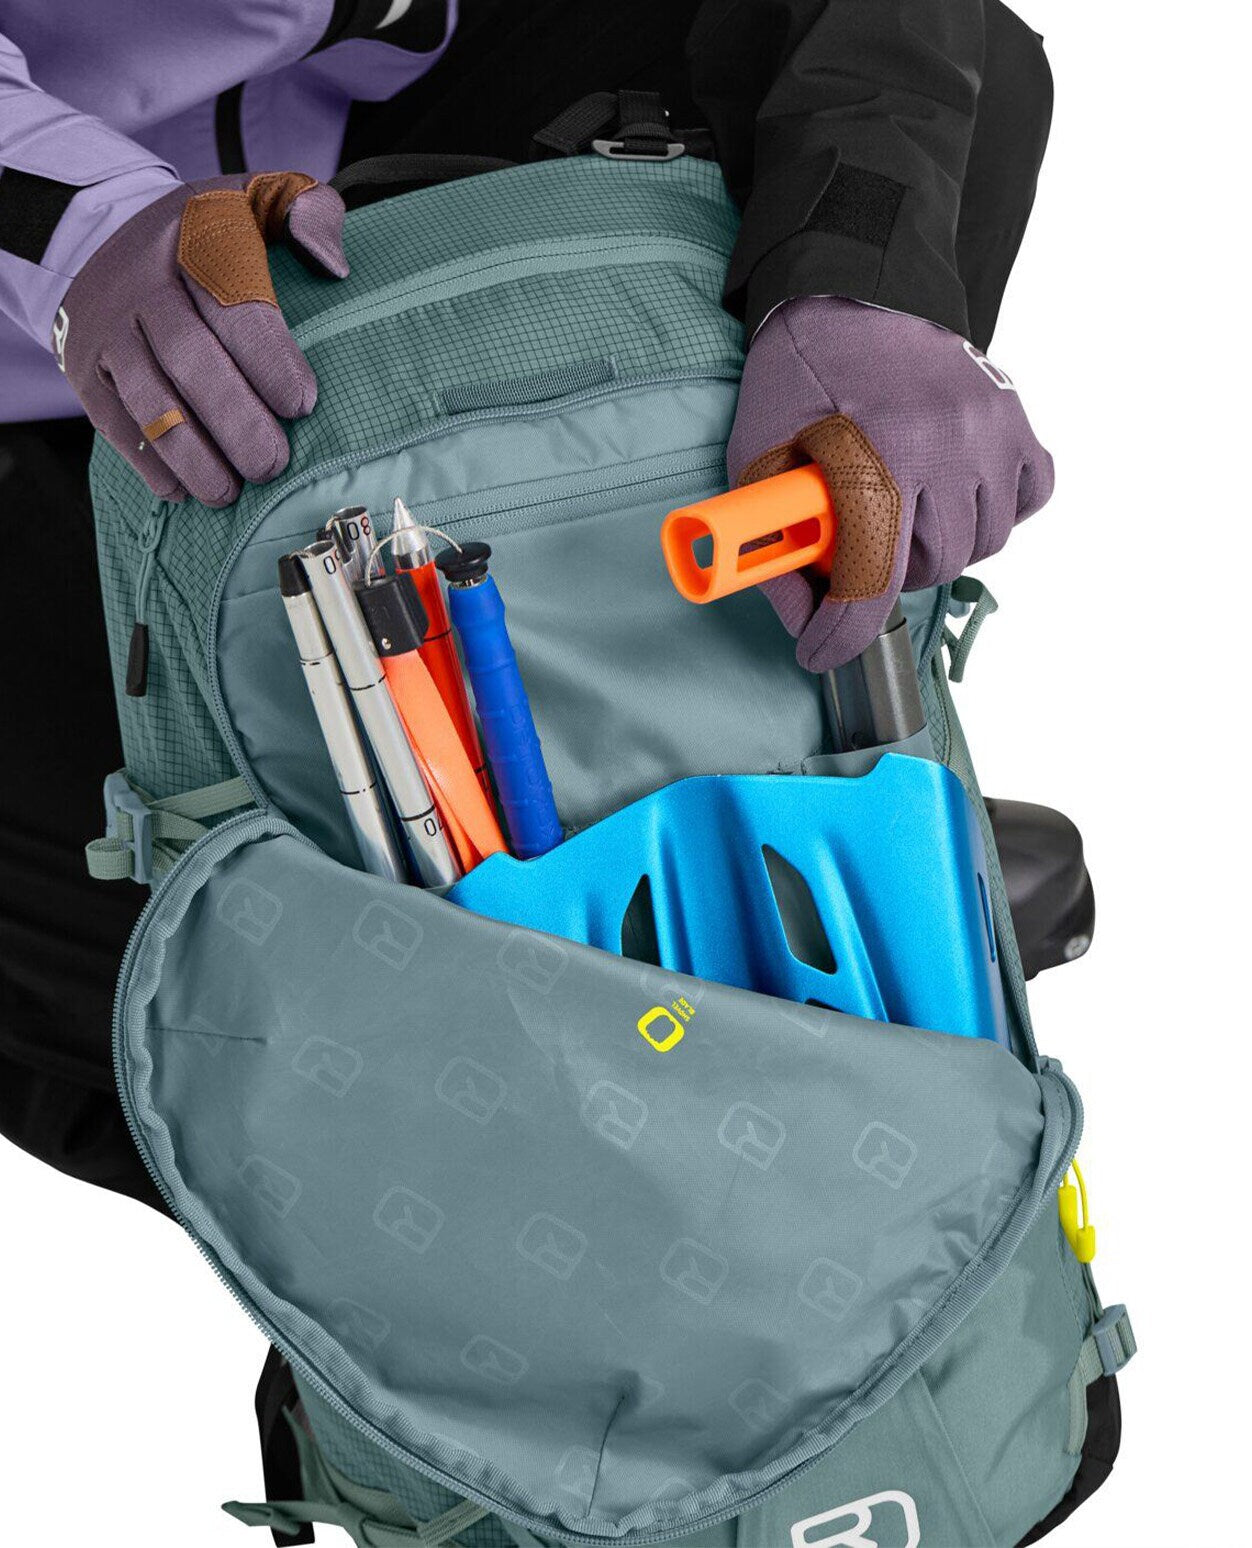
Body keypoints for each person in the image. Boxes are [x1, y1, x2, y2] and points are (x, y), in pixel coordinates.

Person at [0, 0, 1055, 1205]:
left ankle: (764, 785)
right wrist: (72, 228)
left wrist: (862, 270)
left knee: (947, 67)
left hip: (322, 170)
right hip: (40, 328)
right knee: (259, 1076)